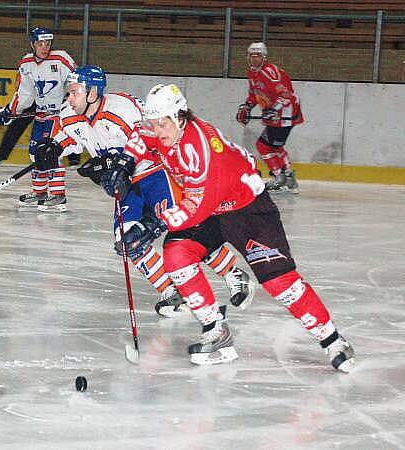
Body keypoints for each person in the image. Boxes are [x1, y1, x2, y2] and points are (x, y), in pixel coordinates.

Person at [118, 83, 355, 372]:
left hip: (249, 210)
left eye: (163, 123)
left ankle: (332, 340)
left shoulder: (199, 150)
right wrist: (123, 162)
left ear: (180, 117)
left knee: (280, 284)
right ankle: (216, 331)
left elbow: (194, 209)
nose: (158, 130)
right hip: (215, 208)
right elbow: (140, 137)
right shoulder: (167, 130)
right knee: (176, 255)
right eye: (154, 123)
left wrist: (149, 226)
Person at [35, 65, 256, 317]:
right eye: (68, 93)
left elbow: (156, 138)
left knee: (184, 229)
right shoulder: (70, 114)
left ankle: (233, 274)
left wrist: (116, 161)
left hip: (156, 174)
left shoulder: (123, 109)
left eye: (74, 92)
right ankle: (172, 292)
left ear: (93, 92)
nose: (69, 98)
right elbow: (71, 137)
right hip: (127, 186)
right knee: (127, 240)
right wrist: (52, 149)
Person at [0, 26, 76, 212]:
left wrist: (70, 104)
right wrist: (8, 112)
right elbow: (24, 94)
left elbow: (76, 82)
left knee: (51, 152)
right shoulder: (26, 64)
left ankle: (58, 196)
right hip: (40, 115)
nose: (45, 47)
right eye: (40, 43)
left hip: (58, 116)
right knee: (35, 154)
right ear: (33, 44)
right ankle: (40, 193)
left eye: (48, 43)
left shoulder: (61, 59)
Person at [236, 42, 303, 194]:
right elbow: (254, 95)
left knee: (263, 145)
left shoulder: (270, 72)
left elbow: (287, 95)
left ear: (264, 57)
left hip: (285, 114)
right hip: (276, 115)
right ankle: (288, 177)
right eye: (252, 56)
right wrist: (247, 106)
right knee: (275, 146)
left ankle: (279, 177)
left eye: (257, 56)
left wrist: (274, 109)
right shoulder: (252, 73)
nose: (254, 59)